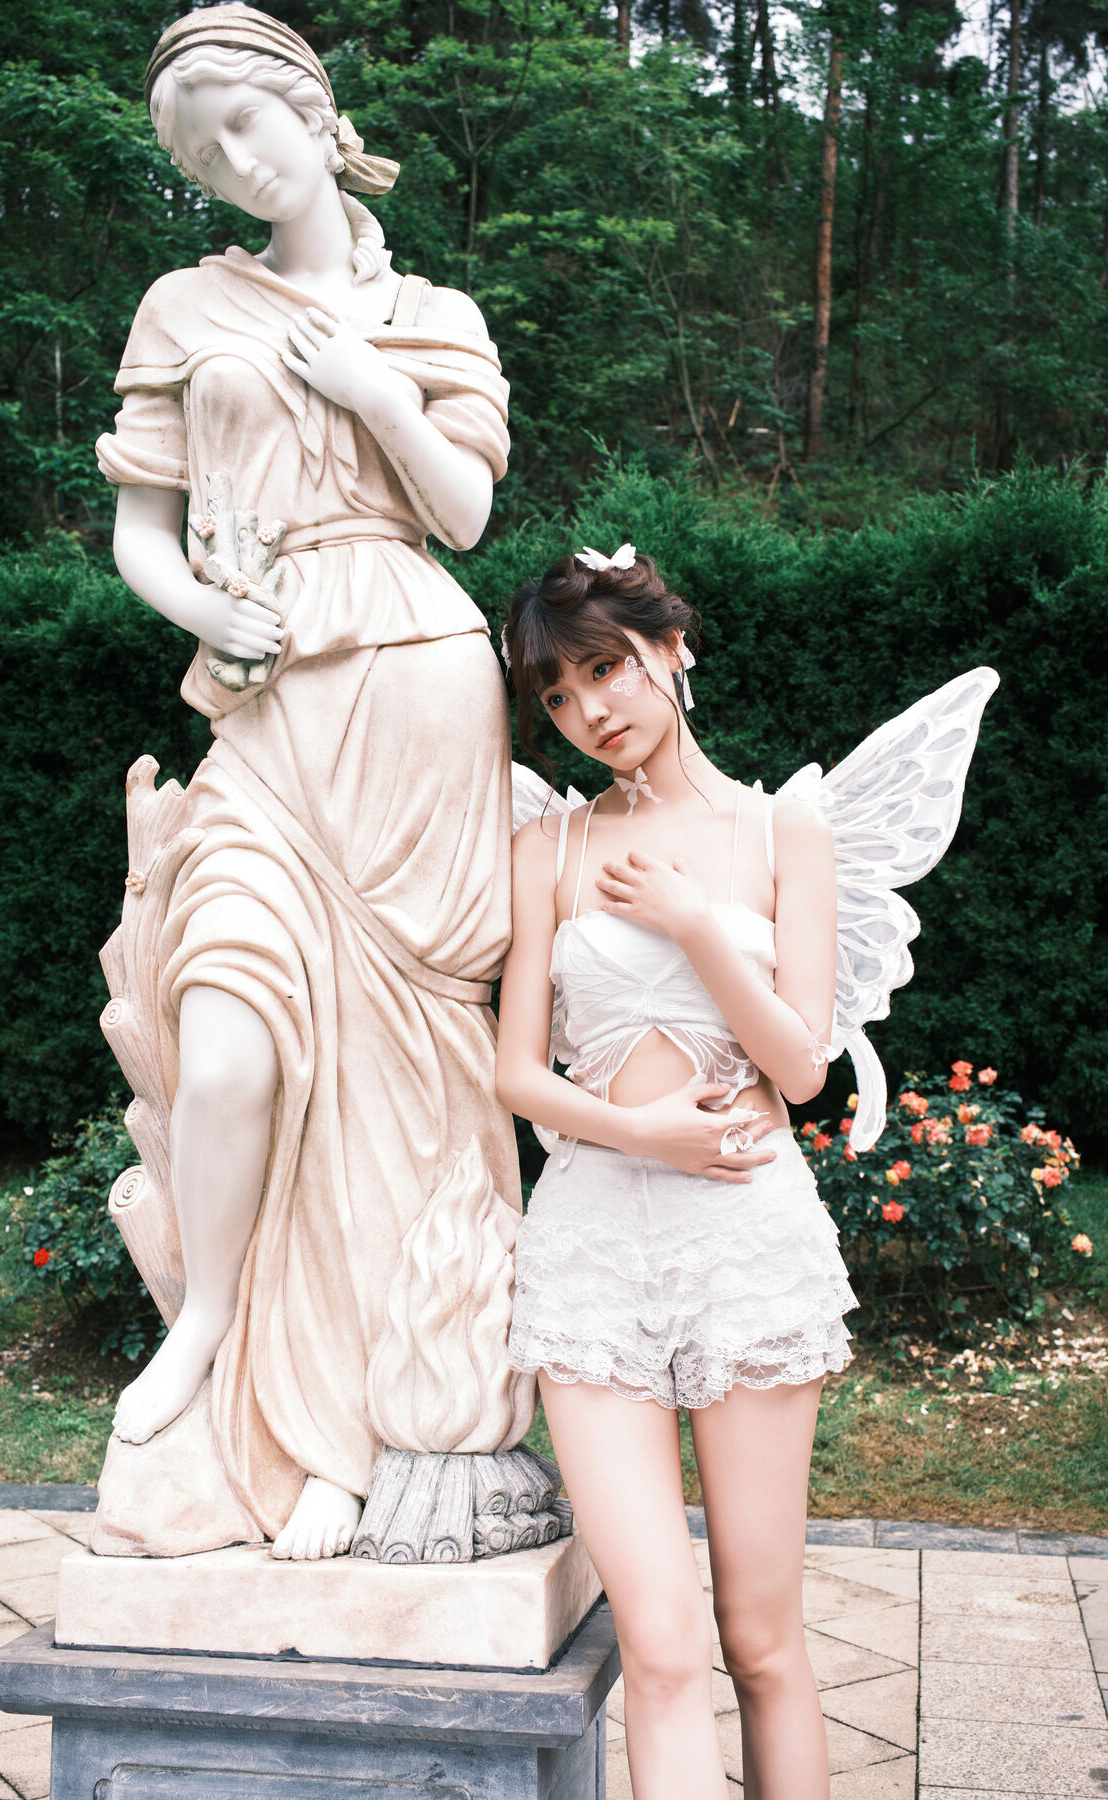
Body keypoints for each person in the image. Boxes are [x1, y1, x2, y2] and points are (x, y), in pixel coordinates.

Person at [95, 3, 519, 1560]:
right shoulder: (182, 307)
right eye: (203, 151)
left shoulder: (436, 313)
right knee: (226, 1050)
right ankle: (211, 1321)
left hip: (417, 682)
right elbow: (141, 532)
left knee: (403, 1084)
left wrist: (374, 389)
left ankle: (351, 1432)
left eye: (248, 123)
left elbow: (465, 514)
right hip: (265, 698)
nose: (235, 161)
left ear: (316, 112)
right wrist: (203, 613)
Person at [497, 545, 858, 1799]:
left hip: (747, 1241)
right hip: (593, 1250)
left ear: (672, 650)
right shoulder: (547, 847)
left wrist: (698, 924)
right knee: (660, 1648)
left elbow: (801, 1069)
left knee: (760, 1642)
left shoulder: (781, 830)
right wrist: (640, 1132)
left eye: (606, 670)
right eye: (557, 694)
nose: (588, 710)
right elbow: (516, 1074)